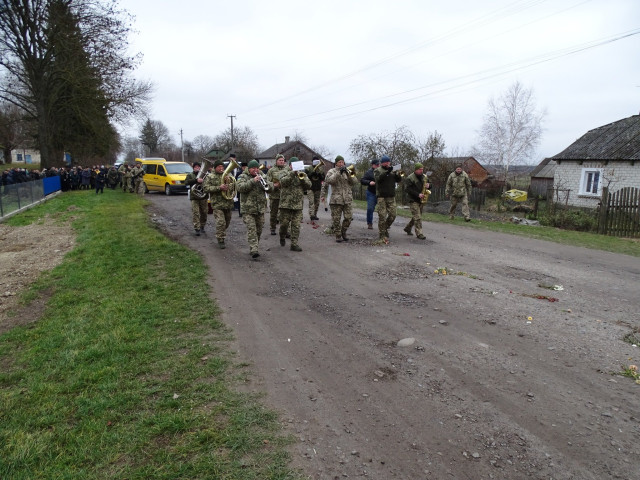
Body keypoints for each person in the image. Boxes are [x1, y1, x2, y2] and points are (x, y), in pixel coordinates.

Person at [236, 160, 273, 259]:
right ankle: (254, 250)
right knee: (252, 229)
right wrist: (253, 181)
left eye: (257, 168)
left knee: (259, 230)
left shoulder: (263, 175)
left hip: (260, 208)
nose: (255, 170)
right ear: (249, 168)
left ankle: (255, 245)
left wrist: (267, 184)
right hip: (247, 209)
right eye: (253, 168)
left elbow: (271, 188)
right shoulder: (242, 176)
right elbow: (240, 188)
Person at [278, 156, 311, 251]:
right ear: (290, 165)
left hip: (298, 204)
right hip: (285, 204)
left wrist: (302, 179)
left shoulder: (303, 174)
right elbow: (282, 182)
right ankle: (282, 236)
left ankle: (294, 244)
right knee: (284, 225)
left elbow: (309, 185)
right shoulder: (284, 172)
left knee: (296, 225)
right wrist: (293, 174)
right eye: (294, 165)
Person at [324, 155, 356, 243]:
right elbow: (329, 180)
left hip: (347, 199)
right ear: (336, 163)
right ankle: (338, 235)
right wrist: (339, 173)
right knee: (336, 219)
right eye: (339, 162)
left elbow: (354, 182)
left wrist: (349, 174)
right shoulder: (331, 171)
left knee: (348, 218)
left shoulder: (347, 171)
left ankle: (343, 232)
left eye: (342, 162)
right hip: (336, 199)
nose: (341, 163)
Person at [203, 159, 234, 248]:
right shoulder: (210, 176)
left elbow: (234, 186)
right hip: (217, 204)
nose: (221, 168)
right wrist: (219, 188)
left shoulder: (228, 175)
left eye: (222, 166)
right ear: (215, 167)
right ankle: (221, 240)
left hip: (228, 203)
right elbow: (205, 188)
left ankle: (220, 232)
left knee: (227, 222)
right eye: (219, 167)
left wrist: (229, 184)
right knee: (221, 222)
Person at [374, 155, 403, 242]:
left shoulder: (392, 170)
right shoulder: (377, 170)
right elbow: (378, 179)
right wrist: (387, 172)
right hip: (382, 196)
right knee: (382, 216)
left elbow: (398, 180)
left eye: (388, 162)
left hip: (391, 196)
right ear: (382, 163)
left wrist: (397, 174)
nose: (388, 163)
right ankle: (382, 234)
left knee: (393, 215)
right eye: (386, 162)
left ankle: (385, 228)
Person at [403, 163, 430, 240]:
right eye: (420, 169)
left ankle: (408, 228)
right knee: (417, 217)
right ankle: (419, 233)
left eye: (422, 169)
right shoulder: (410, 178)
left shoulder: (424, 177)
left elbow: (429, 184)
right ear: (415, 170)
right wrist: (418, 194)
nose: (421, 171)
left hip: (421, 200)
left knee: (417, 216)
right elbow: (407, 189)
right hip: (413, 199)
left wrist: (429, 186)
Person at [185, 161, 208, 236]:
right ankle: (197, 228)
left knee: (204, 212)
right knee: (196, 212)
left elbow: (208, 183)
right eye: (195, 167)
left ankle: (202, 226)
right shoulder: (190, 175)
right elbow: (186, 182)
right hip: (194, 197)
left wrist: (203, 181)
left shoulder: (205, 175)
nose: (197, 168)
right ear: (193, 168)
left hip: (203, 196)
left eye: (198, 167)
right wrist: (196, 180)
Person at [267, 153, 287, 235]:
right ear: (276, 161)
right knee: (273, 213)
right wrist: (274, 185)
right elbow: (267, 182)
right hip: (274, 195)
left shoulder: (287, 169)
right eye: (280, 160)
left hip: (285, 195)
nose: (282, 161)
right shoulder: (271, 170)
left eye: (282, 160)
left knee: (285, 214)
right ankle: (273, 228)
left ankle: (285, 230)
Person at [360, 158, 379, 229]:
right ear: (372, 165)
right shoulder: (369, 172)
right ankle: (369, 223)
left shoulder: (381, 171)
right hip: (371, 192)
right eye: (376, 165)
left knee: (383, 209)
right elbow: (362, 180)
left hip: (380, 193)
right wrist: (369, 182)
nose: (378, 166)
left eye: (378, 164)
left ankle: (383, 224)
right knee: (370, 208)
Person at [306, 156, 325, 221]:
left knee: (317, 203)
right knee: (311, 202)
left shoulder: (321, 169)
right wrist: (311, 174)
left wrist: (320, 175)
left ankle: (315, 214)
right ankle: (312, 215)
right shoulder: (309, 168)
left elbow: (323, 178)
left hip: (318, 188)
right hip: (310, 187)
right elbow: (305, 176)